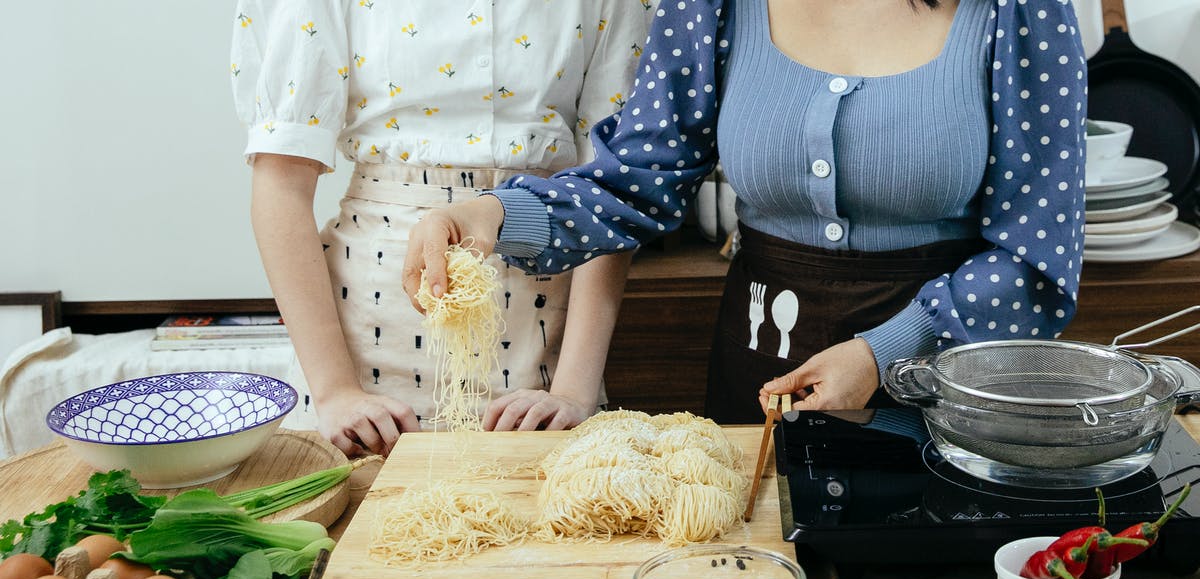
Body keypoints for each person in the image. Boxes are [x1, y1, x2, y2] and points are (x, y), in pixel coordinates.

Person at [400, 0, 1088, 423]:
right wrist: (495, 214)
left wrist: (885, 355)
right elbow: (638, 179)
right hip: (754, 385)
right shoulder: (713, 4)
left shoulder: (1020, 7)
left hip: (950, 405)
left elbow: (1037, 257)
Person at [231, 1, 652, 455]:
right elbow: (282, 185)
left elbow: (608, 187)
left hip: (546, 319)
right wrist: (336, 391)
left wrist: (573, 389)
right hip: (368, 320)